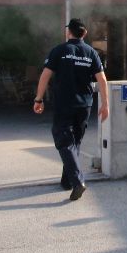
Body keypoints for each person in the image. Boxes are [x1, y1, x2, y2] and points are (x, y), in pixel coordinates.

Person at [33, 18, 109, 201]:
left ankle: (77, 182)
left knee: (63, 140)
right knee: (74, 142)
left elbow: (45, 76)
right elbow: (102, 80)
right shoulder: (91, 52)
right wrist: (105, 104)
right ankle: (67, 181)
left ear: (69, 32)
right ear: (85, 33)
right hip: (84, 105)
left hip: (64, 104)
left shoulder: (59, 50)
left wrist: (38, 99)